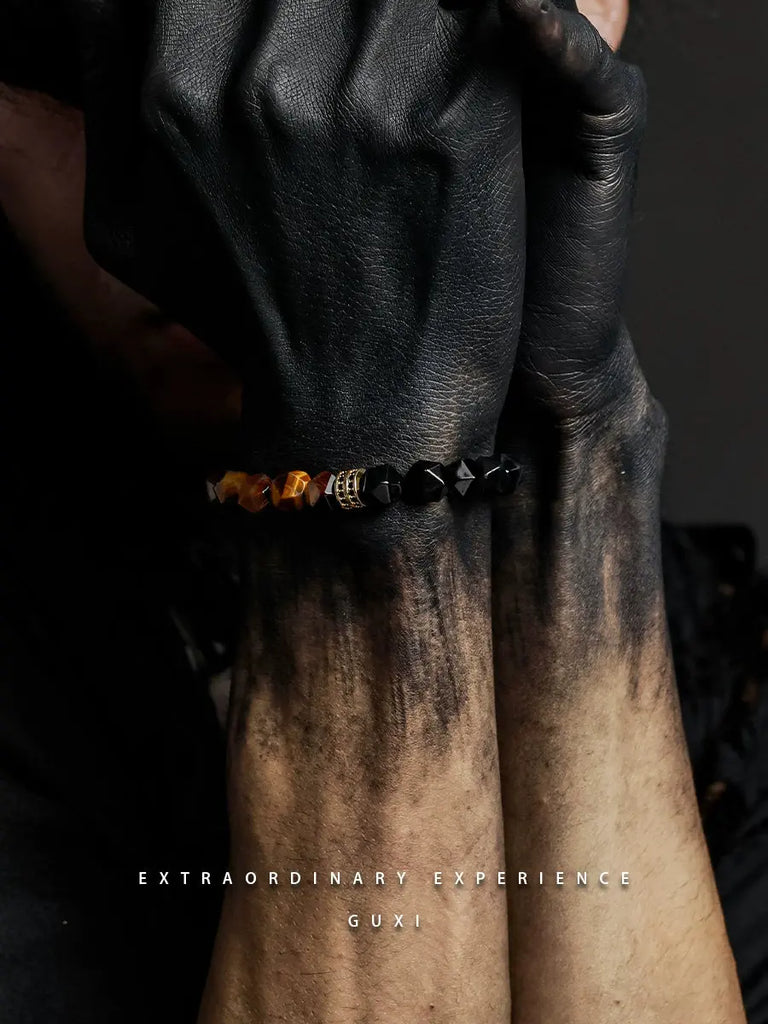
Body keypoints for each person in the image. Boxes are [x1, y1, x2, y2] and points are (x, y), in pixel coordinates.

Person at [0, 0, 761, 1021]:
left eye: (360, 27)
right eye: (101, 61)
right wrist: (363, 512)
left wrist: (576, 448)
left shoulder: (727, 689)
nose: (230, 157)